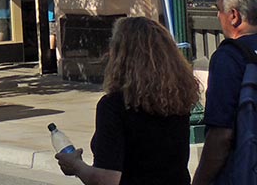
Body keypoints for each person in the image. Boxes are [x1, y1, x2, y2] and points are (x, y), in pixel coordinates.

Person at [56, 16, 199, 185]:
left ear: (120, 55)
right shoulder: (177, 98)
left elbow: (107, 179)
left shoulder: (114, 106)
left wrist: (76, 165)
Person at [192, 0, 257, 185]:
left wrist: (200, 181)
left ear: (234, 16)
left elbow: (221, 136)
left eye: (219, 10)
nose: (218, 17)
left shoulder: (228, 58)